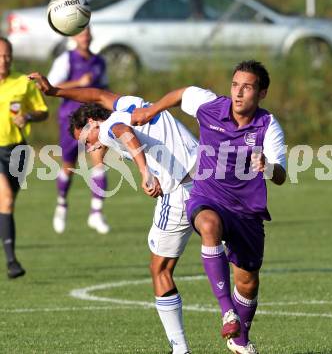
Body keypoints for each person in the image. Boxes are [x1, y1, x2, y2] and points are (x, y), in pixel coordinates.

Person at [28, 72, 197, 354]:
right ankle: (235, 321)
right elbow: (96, 95)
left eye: (85, 139)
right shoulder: (127, 104)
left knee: (159, 269)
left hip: (180, 190)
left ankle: (180, 349)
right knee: (226, 247)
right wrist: (56, 91)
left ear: (92, 122)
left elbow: (124, 134)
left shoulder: (108, 126)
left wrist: (145, 172)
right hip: (210, 174)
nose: (89, 146)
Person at [130, 60, 287, 354]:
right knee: (209, 225)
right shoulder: (210, 105)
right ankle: (227, 311)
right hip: (207, 196)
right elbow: (182, 93)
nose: (239, 93)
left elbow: (281, 175)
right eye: (235, 85)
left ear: (262, 93)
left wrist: (267, 167)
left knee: (248, 282)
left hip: (246, 210)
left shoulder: (268, 125)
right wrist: (151, 111)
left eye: (248, 87)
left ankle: (240, 337)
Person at [47, 27, 110, 234]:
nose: (85, 37)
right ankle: (61, 205)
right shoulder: (66, 59)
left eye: (88, 33)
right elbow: (51, 86)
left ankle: (96, 213)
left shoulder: (100, 62)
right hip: (70, 121)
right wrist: (78, 83)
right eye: (81, 34)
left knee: (99, 162)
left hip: (94, 122)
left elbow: (105, 90)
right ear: (74, 37)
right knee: (68, 165)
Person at [0, 37, 48, 279]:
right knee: (5, 199)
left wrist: (28, 117)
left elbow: (43, 111)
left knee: (6, 204)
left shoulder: (22, 82)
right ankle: (12, 262)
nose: (3, 60)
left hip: (18, 151)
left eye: (7, 55)